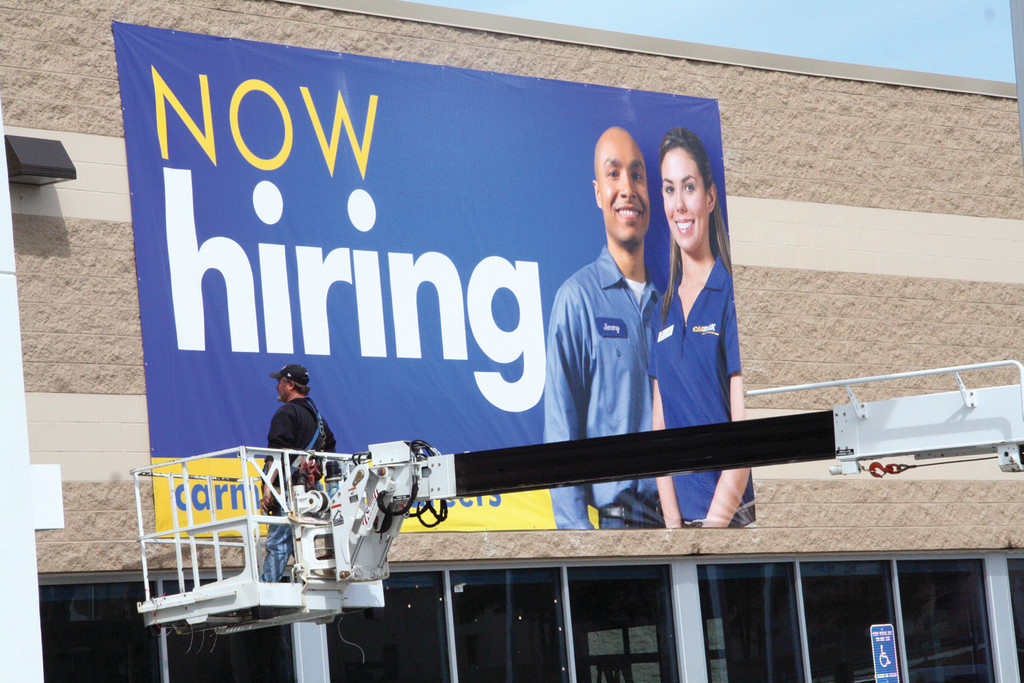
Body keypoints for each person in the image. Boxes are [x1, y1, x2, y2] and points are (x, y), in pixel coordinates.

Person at [544, 126, 662, 529]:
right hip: (619, 527)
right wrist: (581, 544)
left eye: (637, 174)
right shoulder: (577, 301)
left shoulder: (674, 306)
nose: (627, 188)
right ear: (598, 193)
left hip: (687, 521)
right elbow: (561, 435)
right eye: (614, 174)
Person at [649, 127, 754, 528]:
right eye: (669, 189)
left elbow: (744, 432)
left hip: (733, 524)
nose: (679, 205)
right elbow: (659, 436)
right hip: (683, 529)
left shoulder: (731, 295)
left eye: (689, 187)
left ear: (709, 197)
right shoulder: (662, 311)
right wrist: (675, 529)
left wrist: (713, 529)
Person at [259, 363, 336, 582]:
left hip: (290, 493)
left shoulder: (286, 412)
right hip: (314, 494)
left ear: (290, 384)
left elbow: (277, 451)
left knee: (279, 544)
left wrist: (268, 486)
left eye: (280, 382)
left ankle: (268, 588)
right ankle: (311, 582)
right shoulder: (318, 418)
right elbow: (330, 451)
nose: (276, 387)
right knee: (303, 541)